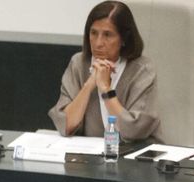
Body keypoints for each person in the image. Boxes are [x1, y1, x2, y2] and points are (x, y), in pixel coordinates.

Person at [49, 1, 160, 143]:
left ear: (124, 39)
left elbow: (133, 131)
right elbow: (65, 125)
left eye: (107, 35)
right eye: (94, 33)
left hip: (135, 157)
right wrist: (89, 84)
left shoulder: (142, 70)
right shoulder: (78, 63)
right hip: (90, 157)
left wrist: (106, 89)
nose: (98, 43)